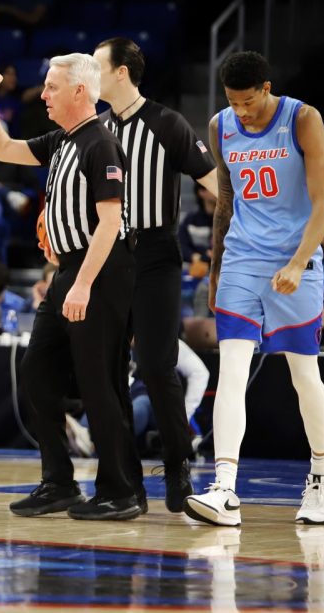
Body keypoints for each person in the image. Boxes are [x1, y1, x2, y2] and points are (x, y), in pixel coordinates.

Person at [0, 57, 143, 521]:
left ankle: (119, 491)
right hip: (69, 271)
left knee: (100, 383)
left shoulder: (101, 144)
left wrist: (83, 284)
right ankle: (59, 482)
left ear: (79, 92)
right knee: (36, 373)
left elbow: (111, 223)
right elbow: (0, 148)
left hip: (102, 272)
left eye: (51, 87)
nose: (44, 95)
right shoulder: (59, 141)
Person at [187, 51, 324, 526]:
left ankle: (321, 476)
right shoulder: (220, 125)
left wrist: (298, 261)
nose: (242, 111)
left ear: (267, 88)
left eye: (248, 101)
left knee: (303, 374)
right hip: (242, 260)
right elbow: (225, 199)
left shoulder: (303, 119)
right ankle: (224, 488)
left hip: (294, 260)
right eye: (233, 102)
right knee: (230, 369)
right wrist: (215, 270)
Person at [94, 37, 218, 512]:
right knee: (107, 369)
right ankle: (124, 480)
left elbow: (215, 185)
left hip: (155, 252)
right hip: (107, 254)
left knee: (155, 364)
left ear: (121, 72)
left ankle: (176, 464)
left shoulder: (167, 123)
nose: (92, 75)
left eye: (99, 67)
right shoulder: (97, 127)